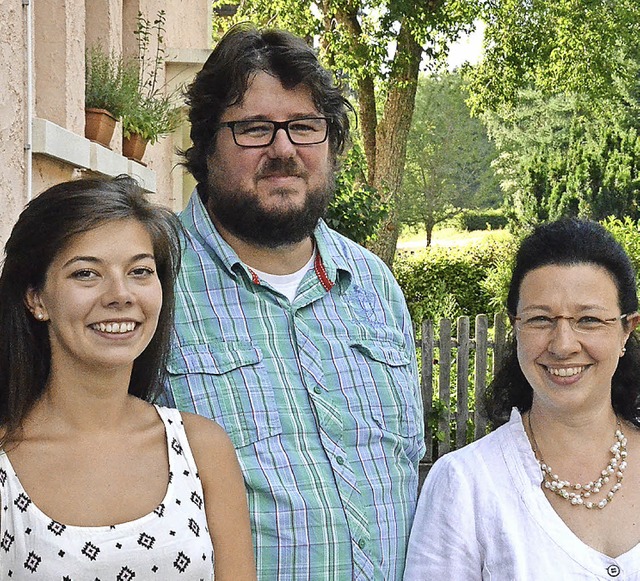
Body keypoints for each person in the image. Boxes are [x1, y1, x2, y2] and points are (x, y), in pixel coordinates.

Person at [163, 24, 425, 580]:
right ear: (207, 145)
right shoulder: (152, 286)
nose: (284, 149)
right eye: (254, 128)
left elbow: (405, 466)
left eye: (305, 126)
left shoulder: (375, 285)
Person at [0, 176, 256, 580]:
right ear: (36, 297)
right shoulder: (6, 458)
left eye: (140, 271)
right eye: (86, 273)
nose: (121, 294)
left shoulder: (202, 450)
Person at [404, 217, 640, 579]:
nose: (563, 345)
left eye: (589, 320)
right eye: (541, 319)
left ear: (627, 330)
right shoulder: (465, 485)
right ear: (515, 327)